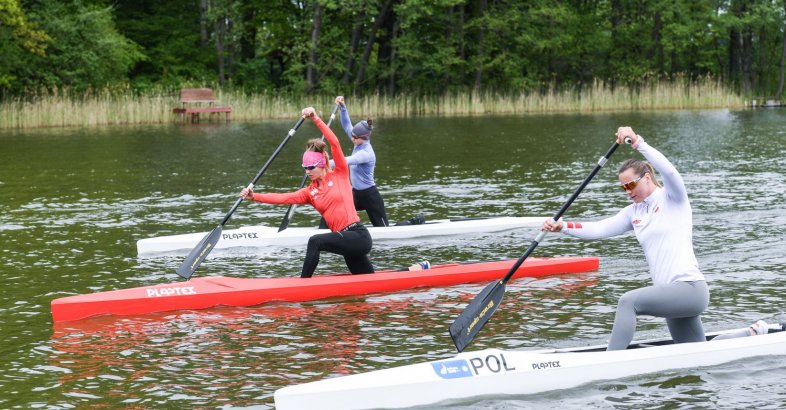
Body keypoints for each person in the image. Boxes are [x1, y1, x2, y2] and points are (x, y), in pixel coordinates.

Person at [541, 127, 709, 351]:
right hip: (669, 293)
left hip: (689, 289)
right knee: (696, 352)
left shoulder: (673, 198)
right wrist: (563, 227)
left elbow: (669, 171)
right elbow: (599, 229)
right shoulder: (634, 212)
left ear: (647, 178)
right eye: (623, 188)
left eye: (630, 185)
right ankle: (752, 333)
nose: (628, 191)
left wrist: (638, 142)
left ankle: (610, 363)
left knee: (628, 302)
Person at [241, 107, 427, 278]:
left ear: (321, 164)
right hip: (346, 241)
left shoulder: (340, 174)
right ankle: (416, 270)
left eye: (311, 167)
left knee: (315, 241)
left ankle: (303, 285)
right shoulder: (309, 192)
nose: (307, 171)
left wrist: (315, 118)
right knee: (370, 280)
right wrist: (254, 196)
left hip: (358, 236)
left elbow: (335, 143)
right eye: (305, 167)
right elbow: (282, 198)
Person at [328, 95, 424, 228]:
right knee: (336, 206)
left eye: (355, 137)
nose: (352, 138)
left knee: (384, 230)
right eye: (353, 135)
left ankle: (413, 222)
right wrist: (343, 108)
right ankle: (326, 229)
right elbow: (346, 125)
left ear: (364, 137)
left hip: (370, 196)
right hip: (355, 193)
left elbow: (346, 161)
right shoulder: (358, 140)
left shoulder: (366, 153)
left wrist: (325, 163)